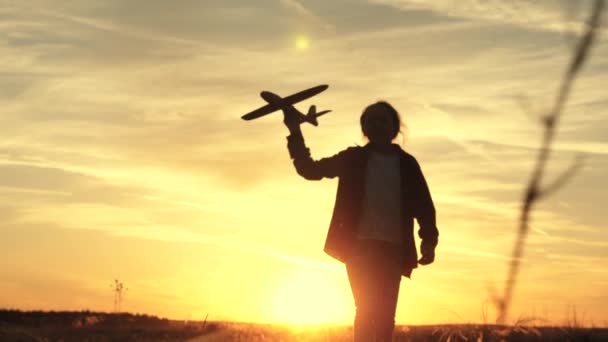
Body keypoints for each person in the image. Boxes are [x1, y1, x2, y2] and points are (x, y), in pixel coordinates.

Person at [283, 101, 439, 341]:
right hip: (359, 248)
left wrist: (429, 242)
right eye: (370, 121)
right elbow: (309, 169)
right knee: (366, 311)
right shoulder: (352, 158)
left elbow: (424, 207)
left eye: (382, 120)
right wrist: (295, 131)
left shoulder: (408, 164)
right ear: (364, 128)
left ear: (394, 128)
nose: (376, 125)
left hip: (393, 249)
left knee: (386, 316)